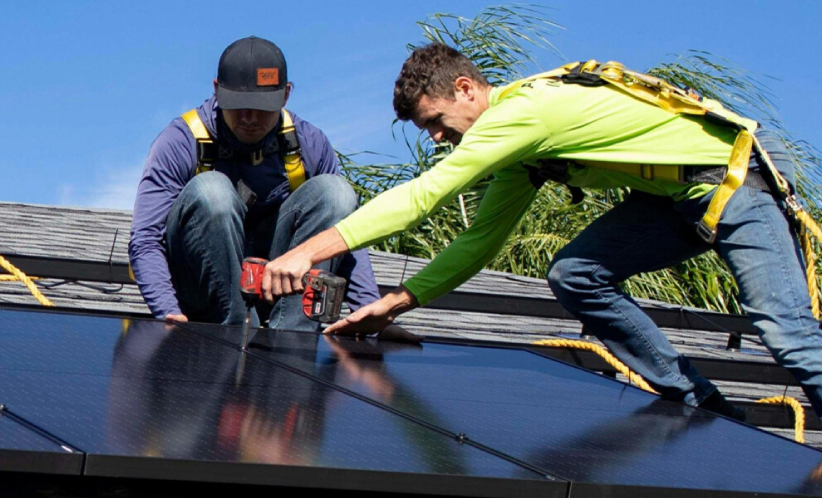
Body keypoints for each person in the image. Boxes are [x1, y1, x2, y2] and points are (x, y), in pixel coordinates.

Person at [261, 42, 822, 419]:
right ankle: (700, 404)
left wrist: (306, 254)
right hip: (673, 200)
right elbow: (478, 242)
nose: (434, 138)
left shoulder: (522, 115)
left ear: (466, 89)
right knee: (576, 274)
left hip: (734, 179)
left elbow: (424, 197)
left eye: (435, 121)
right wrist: (399, 303)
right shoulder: (521, 152)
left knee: (787, 331)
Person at [128, 36, 380, 329]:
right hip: (200, 297)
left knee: (335, 193)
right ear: (216, 90)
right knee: (212, 191)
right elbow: (145, 240)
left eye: (261, 108)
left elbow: (343, 237)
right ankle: (232, 330)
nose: (249, 118)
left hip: (276, 289)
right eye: (238, 106)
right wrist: (167, 312)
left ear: (285, 95)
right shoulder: (180, 141)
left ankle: (293, 336)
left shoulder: (308, 143)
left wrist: (372, 312)